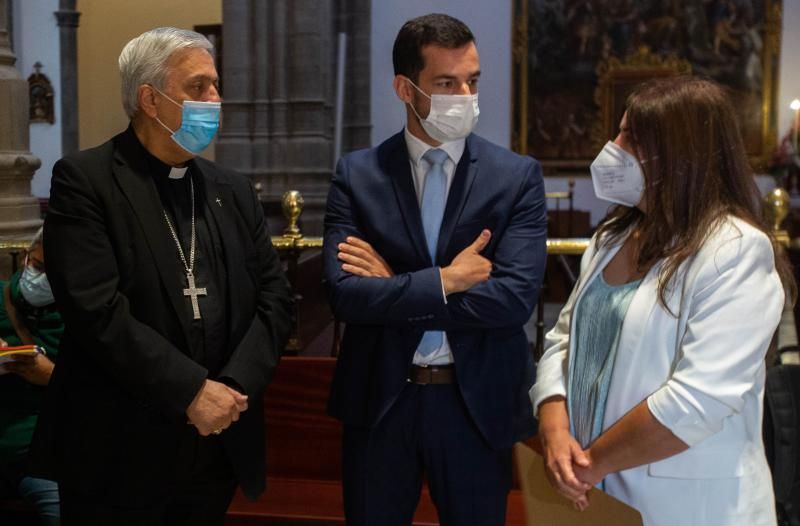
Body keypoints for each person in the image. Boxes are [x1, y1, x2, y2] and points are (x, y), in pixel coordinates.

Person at [28, 27, 292, 526]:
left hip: (218, 442)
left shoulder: (230, 189)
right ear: (150, 99)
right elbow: (95, 311)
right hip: (119, 449)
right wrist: (192, 391)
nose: (215, 100)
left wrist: (229, 390)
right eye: (198, 87)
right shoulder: (87, 181)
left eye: (216, 86)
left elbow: (276, 298)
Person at [530, 76, 796, 526]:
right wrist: (554, 428)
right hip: (593, 489)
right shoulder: (612, 238)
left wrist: (592, 462)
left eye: (631, 138)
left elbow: (697, 400)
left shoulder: (735, 251)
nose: (612, 147)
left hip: (686, 504)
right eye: (618, 132)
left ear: (681, 154)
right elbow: (564, 337)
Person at [323, 13, 547, 526]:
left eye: (472, 80)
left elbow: (511, 301)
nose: (464, 94)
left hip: (475, 405)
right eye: (446, 83)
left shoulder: (515, 178)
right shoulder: (358, 175)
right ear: (406, 88)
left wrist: (394, 291)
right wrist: (443, 281)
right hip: (381, 400)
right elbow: (344, 295)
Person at [0, 228, 61, 526]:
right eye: (37, 266)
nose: (42, 278)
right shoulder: (3, 299)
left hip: (49, 457)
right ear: (26, 257)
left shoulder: (88, 313)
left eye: (54, 272)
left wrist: (51, 376)